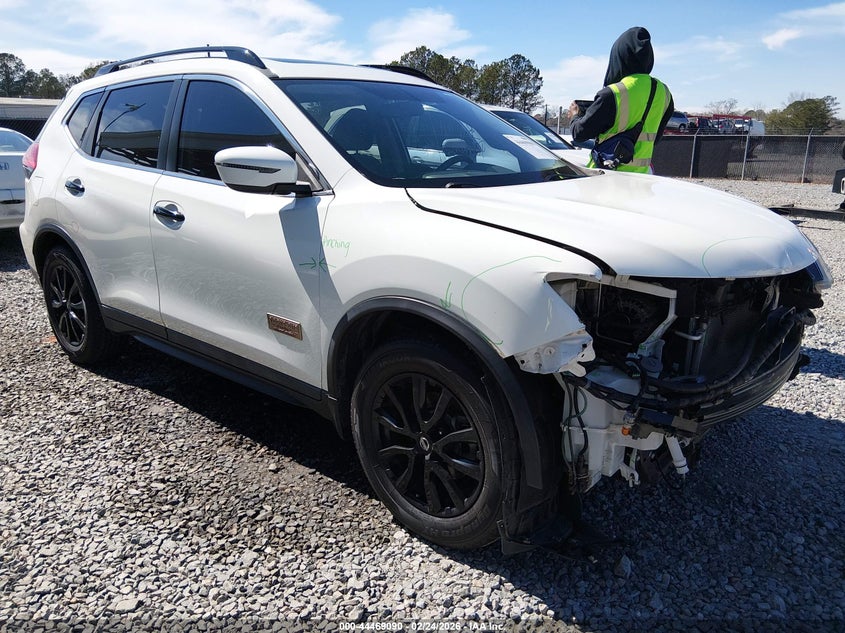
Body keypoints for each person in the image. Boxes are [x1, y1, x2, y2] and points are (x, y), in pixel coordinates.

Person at [568, 26, 673, 173]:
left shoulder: (613, 93)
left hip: (607, 175)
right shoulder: (664, 93)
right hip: (643, 177)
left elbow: (579, 134)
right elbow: (655, 138)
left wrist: (575, 115)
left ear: (620, 56)